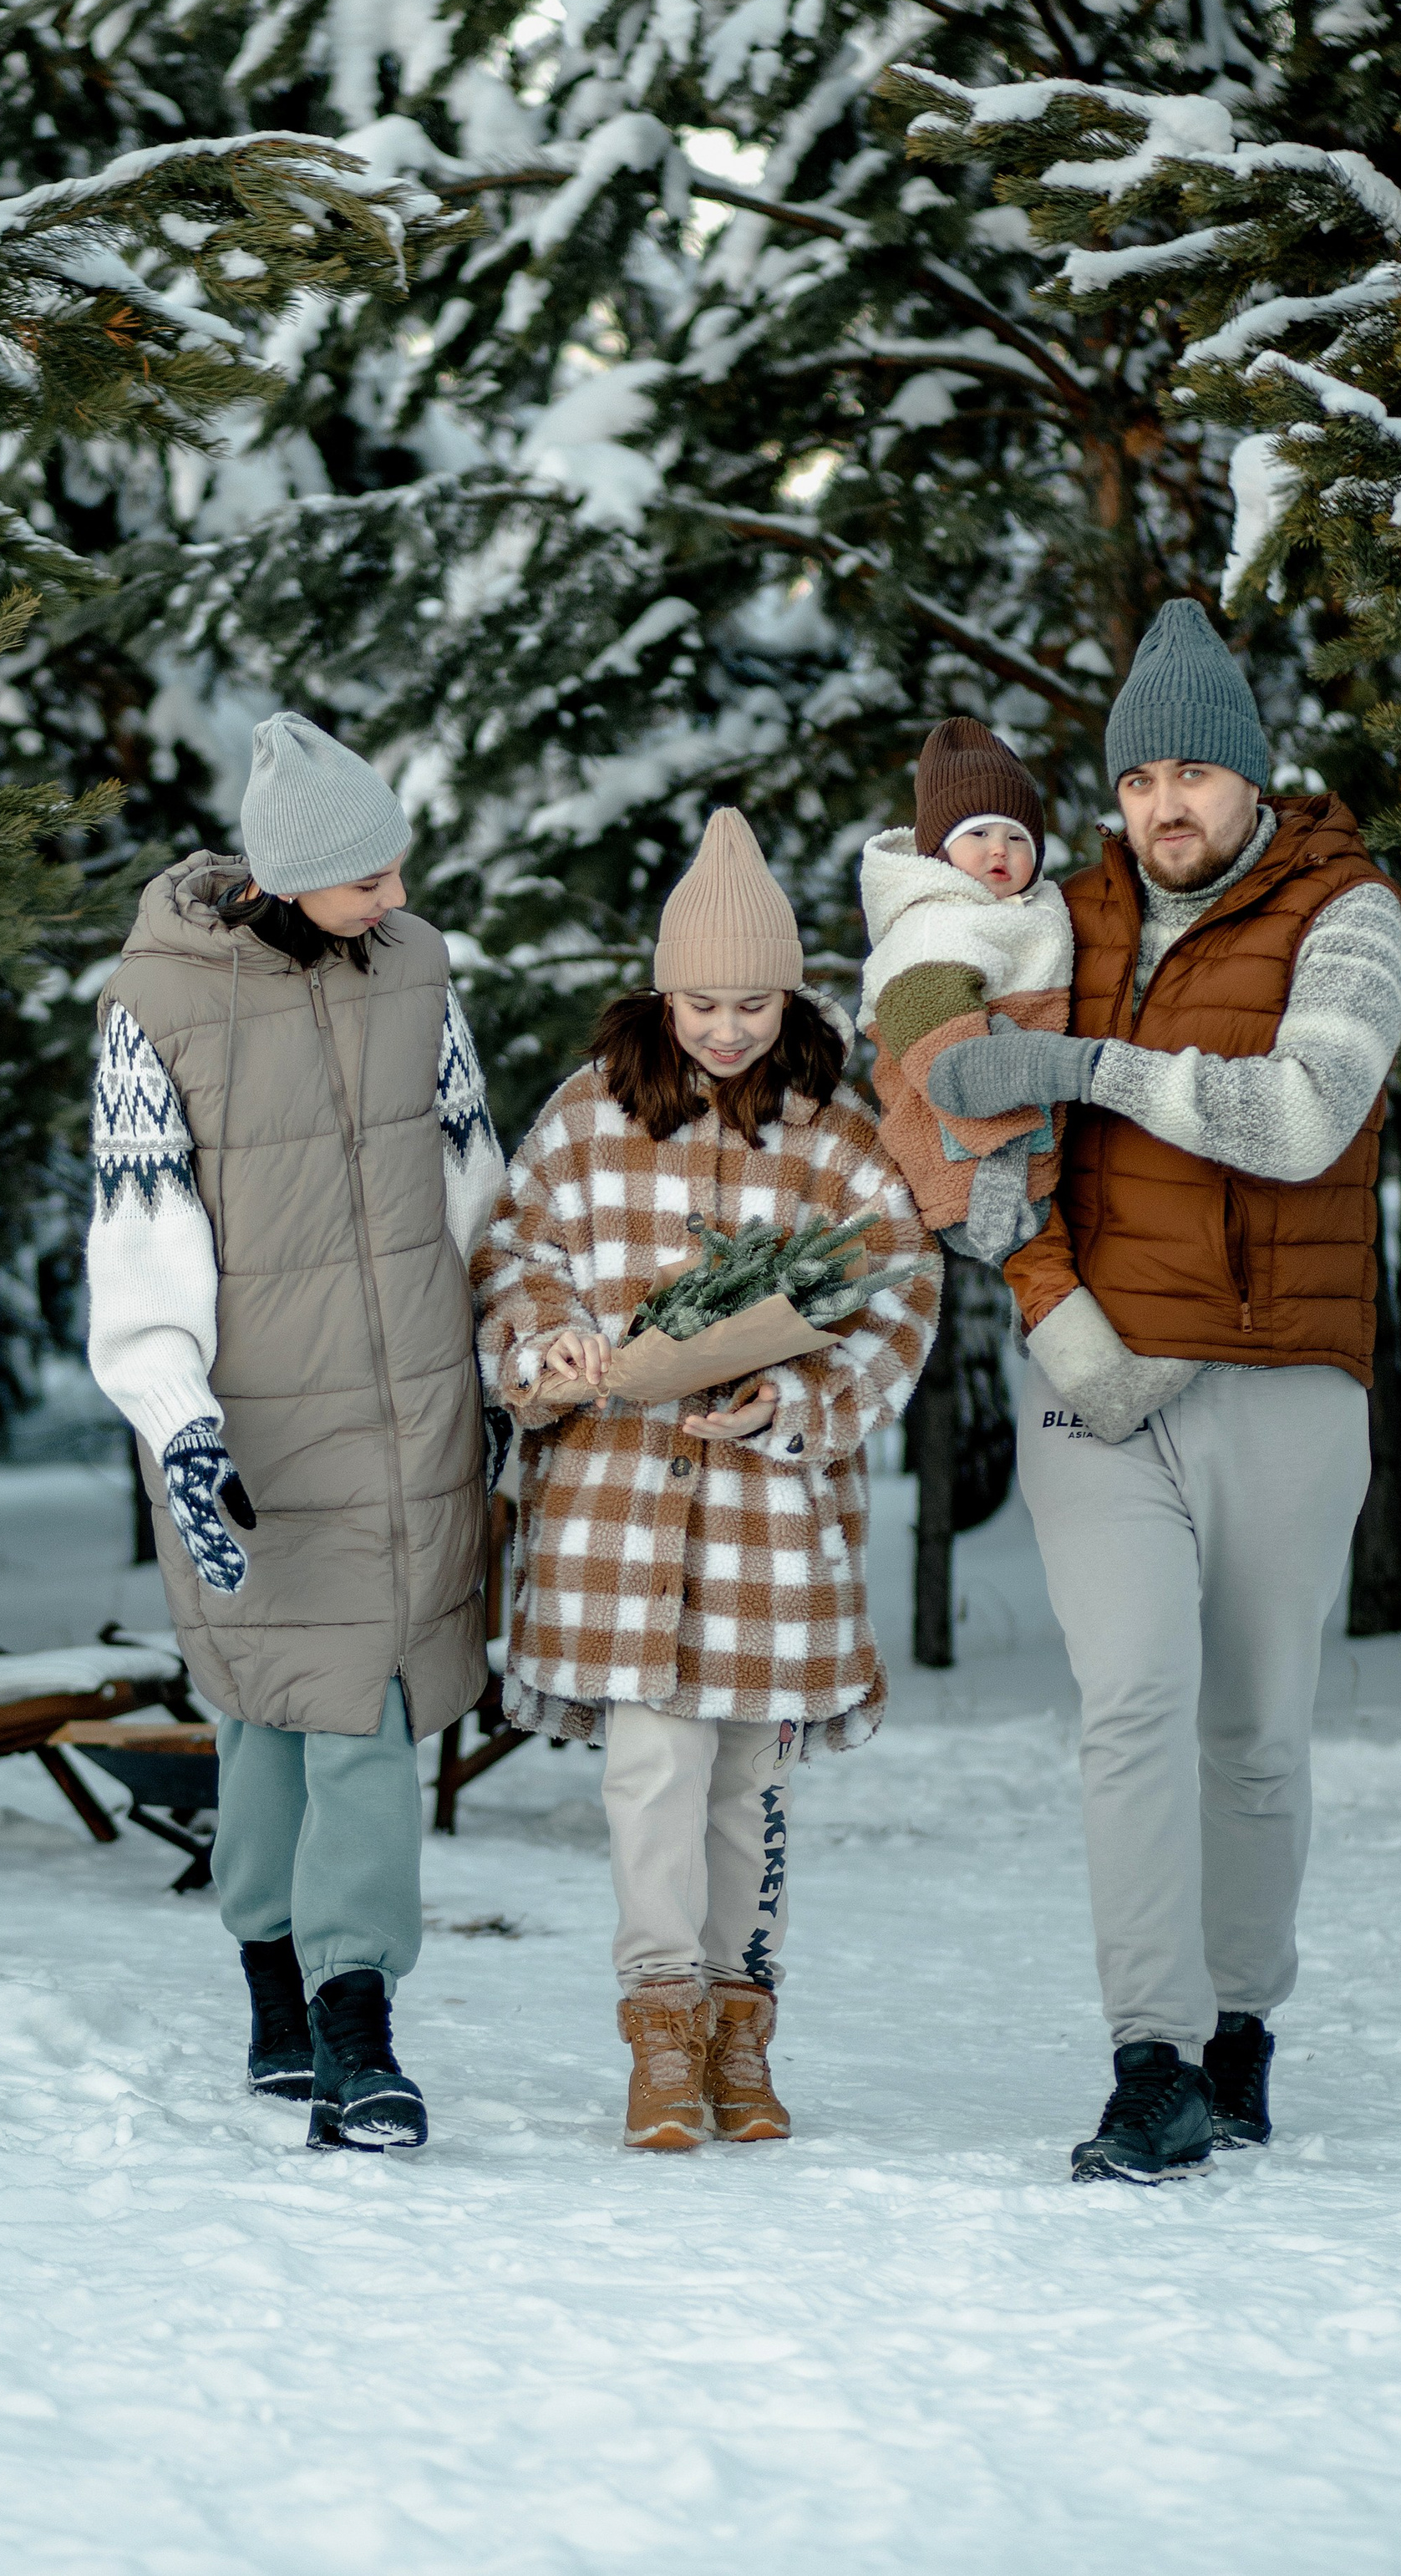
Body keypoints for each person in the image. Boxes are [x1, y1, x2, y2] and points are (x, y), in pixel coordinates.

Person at [928, 601, 1401, 2182]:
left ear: (1251, 778)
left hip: (1285, 1373)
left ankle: (1238, 2026)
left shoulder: (1349, 907)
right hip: (1105, 1390)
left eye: (1195, 775)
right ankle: (1150, 2061)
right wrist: (1038, 1283)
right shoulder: (1065, 924)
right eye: (1140, 783)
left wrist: (1084, 1073)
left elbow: (1305, 1115)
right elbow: (974, 1136)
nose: (1164, 810)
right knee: (1131, 1703)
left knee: (1255, 1730)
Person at [472, 810, 942, 2152]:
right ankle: (660, 2031)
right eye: (699, 1001)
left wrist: (795, 1397)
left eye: (750, 1003)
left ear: (788, 995)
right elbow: (515, 1256)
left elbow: (900, 1288)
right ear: (658, 991)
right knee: (650, 1775)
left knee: (750, 1790)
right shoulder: (587, 1115)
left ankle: (745, 2025)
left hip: (768, 1531)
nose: (725, 1029)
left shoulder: (837, 1136)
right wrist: (548, 1342)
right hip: (619, 1517)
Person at [84, 713, 503, 2153]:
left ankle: (321, 2007)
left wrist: (505, 1362)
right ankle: (310, 1998)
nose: (394, 894)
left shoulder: (419, 972)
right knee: (283, 1715)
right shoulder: (156, 1003)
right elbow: (143, 1222)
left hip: (417, 1414)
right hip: (255, 1426)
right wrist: (177, 1420)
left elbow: (472, 1178)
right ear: (285, 874)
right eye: (366, 877)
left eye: (396, 867)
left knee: (342, 1710)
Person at [857, 716, 1074, 1262]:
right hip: (971, 1161)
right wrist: (999, 1147)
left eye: (1017, 837)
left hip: (1027, 1148)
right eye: (978, 834)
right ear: (940, 852)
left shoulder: (1021, 913)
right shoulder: (934, 926)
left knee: (1050, 1268)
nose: (999, 850)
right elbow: (942, 1052)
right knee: (1041, 1265)